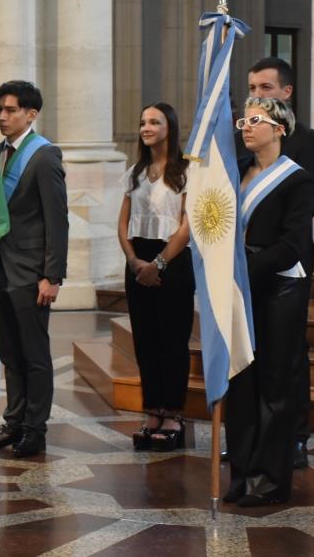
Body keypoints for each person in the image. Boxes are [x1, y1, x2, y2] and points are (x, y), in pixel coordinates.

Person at [224, 97, 314, 507]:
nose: (246, 127)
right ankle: (242, 472)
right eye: (244, 119)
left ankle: (269, 478)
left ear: (279, 128)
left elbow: (293, 245)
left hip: (279, 290)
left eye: (256, 120)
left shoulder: (297, 180)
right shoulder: (238, 172)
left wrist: (246, 268)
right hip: (241, 289)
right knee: (242, 381)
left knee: (275, 387)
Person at [0, 80, 67, 458]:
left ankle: (35, 429)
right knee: (9, 352)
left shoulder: (44, 156)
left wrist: (53, 275)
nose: (2, 116)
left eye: (10, 110)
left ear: (31, 114)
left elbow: (56, 219)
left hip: (31, 273)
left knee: (34, 354)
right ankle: (13, 423)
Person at [246, 57, 314, 470]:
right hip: (248, 264)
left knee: (289, 356)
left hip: (286, 267)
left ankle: (294, 436)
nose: (256, 94)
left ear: (286, 93)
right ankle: (256, 436)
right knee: (255, 353)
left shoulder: (306, 142)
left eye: (265, 88)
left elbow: (301, 208)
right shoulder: (245, 139)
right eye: (253, 88)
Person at [116, 103, 194, 451]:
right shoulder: (134, 171)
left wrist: (157, 264)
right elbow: (122, 222)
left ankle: (174, 414)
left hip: (173, 262)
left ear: (169, 127)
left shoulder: (188, 171)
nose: (145, 127)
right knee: (145, 341)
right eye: (142, 121)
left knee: (172, 341)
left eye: (154, 121)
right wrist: (134, 261)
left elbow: (187, 226)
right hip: (138, 261)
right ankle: (152, 409)